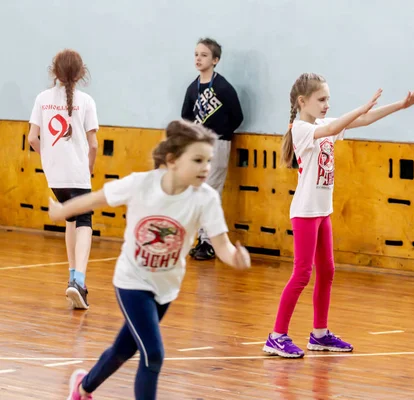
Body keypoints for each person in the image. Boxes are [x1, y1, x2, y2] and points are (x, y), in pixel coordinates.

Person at [55, 120, 251, 400]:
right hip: (132, 281)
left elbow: (222, 246)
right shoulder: (142, 184)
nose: (206, 167)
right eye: (197, 160)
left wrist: (236, 259)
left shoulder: (205, 198)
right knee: (153, 355)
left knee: (124, 349)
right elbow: (95, 200)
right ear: (172, 160)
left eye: (209, 160)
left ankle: (83, 388)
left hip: (166, 287)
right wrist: (60, 211)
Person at [263, 72, 414, 358]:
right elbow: (338, 125)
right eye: (321, 99)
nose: (327, 104)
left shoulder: (324, 123)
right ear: (303, 101)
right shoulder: (300, 129)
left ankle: (320, 334)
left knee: (327, 272)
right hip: (304, 213)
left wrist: (400, 105)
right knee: (302, 273)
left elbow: (361, 120)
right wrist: (359, 108)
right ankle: (277, 336)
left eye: (328, 99)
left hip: (322, 211)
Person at [28, 49, 99, 309]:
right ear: (81, 73)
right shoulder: (86, 101)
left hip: (54, 175)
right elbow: (93, 145)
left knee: (71, 219)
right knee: (84, 221)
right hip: (78, 174)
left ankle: (72, 277)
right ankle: (78, 280)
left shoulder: (41, 99)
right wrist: (89, 169)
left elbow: (32, 138)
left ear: (53, 71)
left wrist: (47, 158)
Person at [181, 37, 244, 260]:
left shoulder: (223, 87)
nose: (199, 58)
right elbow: (186, 117)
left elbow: (237, 116)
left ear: (215, 60)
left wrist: (219, 133)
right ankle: (202, 239)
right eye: (196, 54)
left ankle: (209, 242)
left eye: (204, 55)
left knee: (211, 190)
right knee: (198, 190)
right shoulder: (192, 88)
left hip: (218, 144)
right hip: (198, 146)